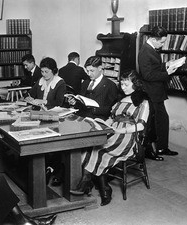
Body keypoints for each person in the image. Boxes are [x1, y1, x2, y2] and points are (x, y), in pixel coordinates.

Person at [70, 70, 150, 206]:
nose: (122, 87)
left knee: (100, 150)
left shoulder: (143, 102)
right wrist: (99, 123)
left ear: (135, 84)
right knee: (89, 146)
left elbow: (141, 126)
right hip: (113, 131)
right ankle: (101, 187)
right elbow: (111, 119)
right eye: (122, 84)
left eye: (126, 85)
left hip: (128, 137)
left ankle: (95, 185)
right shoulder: (120, 99)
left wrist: (120, 129)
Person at [138, 26, 178, 158]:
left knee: (160, 120)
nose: (162, 44)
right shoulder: (145, 51)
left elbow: (153, 66)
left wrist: (166, 64)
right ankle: (154, 150)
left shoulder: (151, 49)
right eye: (161, 42)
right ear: (154, 39)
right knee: (154, 122)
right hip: (151, 91)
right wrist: (166, 73)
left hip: (156, 91)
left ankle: (161, 148)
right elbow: (147, 75)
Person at [67, 56, 118, 120]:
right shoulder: (85, 83)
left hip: (97, 119)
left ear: (100, 68)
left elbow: (111, 109)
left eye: (92, 71)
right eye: (87, 71)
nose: (89, 74)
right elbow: (81, 102)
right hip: (81, 118)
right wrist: (75, 102)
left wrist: (94, 109)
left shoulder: (110, 85)